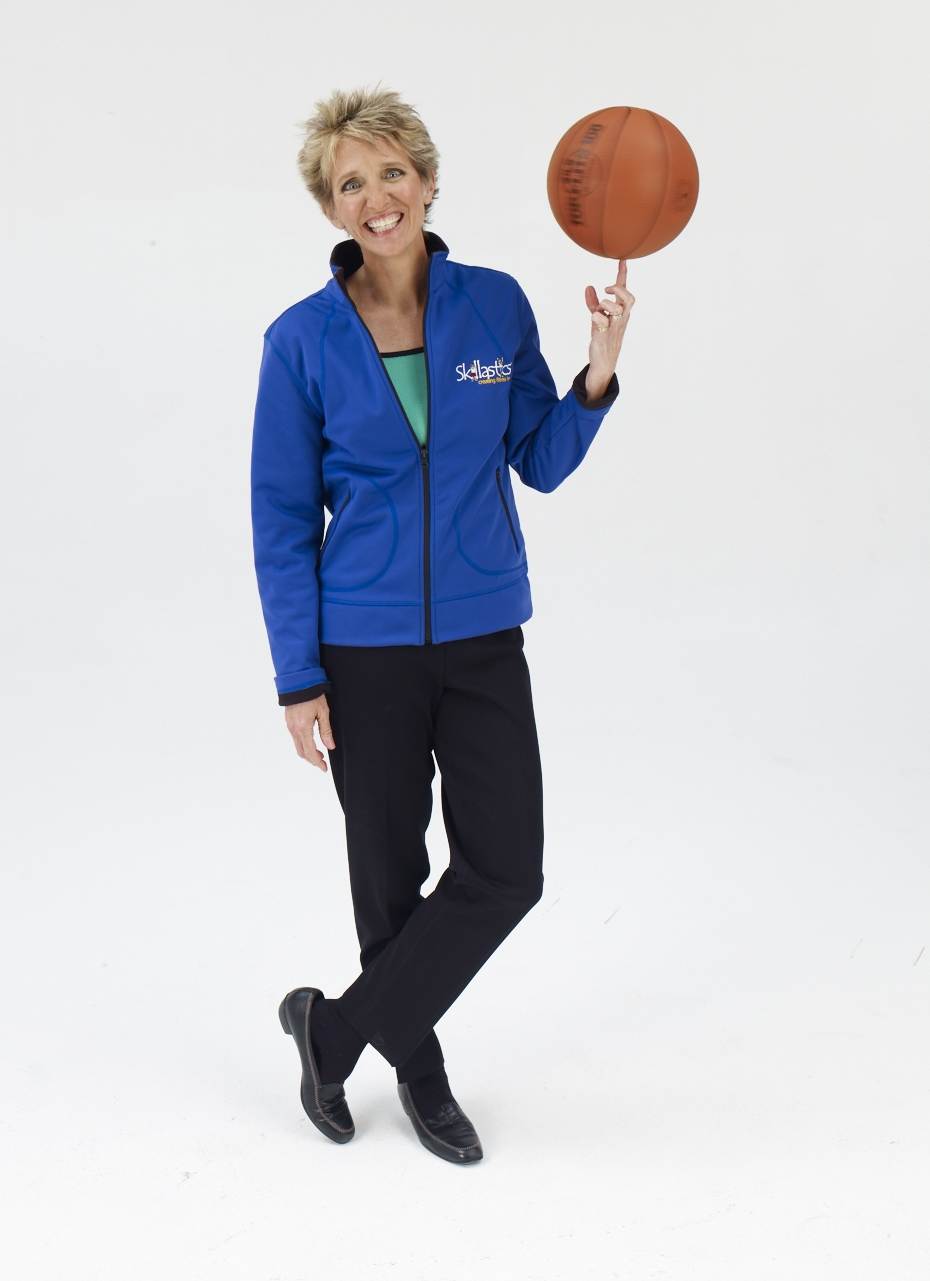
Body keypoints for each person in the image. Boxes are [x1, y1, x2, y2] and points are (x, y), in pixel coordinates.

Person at [251, 88, 633, 1165]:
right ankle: (420, 1072)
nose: (376, 198)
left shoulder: (493, 306)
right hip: (359, 651)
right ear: (332, 208)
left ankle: (330, 1032)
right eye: (350, 183)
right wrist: (298, 676)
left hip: (480, 638)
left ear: (425, 181)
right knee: (387, 877)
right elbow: (281, 520)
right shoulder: (300, 341)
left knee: (507, 871)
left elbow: (539, 459)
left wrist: (598, 370)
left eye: (391, 173)